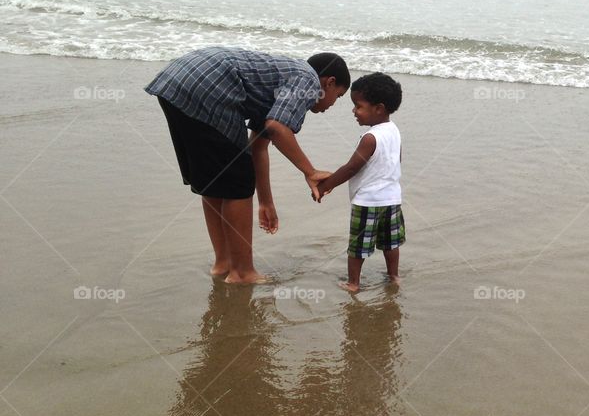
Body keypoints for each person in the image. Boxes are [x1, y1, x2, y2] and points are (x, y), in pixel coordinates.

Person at [145, 46, 350, 284]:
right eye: (339, 95)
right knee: (237, 181)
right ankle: (242, 273)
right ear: (329, 82)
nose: (333, 104)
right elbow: (277, 128)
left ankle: (224, 264)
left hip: (177, 80)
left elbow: (259, 145)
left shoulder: (283, 78)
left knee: (217, 179)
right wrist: (310, 171)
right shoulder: (308, 78)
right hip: (208, 85)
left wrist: (265, 201)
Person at [314, 73, 404, 293]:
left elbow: (351, 167)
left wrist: (326, 186)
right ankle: (394, 276)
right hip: (392, 199)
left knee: (358, 246)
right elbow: (396, 161)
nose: (354, 111)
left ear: (378, 108)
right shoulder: (394, 130)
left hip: (368, 201)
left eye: (358, 106)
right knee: (390, 243)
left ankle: (353, 283)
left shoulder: (370, 138)